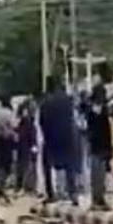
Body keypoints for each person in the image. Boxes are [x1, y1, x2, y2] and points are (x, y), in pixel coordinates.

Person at [39, 76, 78, 205]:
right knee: (69, 166)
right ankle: (73, 194)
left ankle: (51, 194)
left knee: (47, 164)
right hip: (68, 137)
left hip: (52, 138)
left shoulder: (46, 102)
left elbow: (42, 122)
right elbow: (72, 118)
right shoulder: (67, 99)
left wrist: (46, 135)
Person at [86, 83, 113, 210]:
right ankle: (95, 199)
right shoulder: (91, 111)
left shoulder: (104, 110)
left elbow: (107, 130)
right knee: (96, 175)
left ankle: (100, 198)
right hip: (96, 146)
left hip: (103, 146)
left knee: (101, 175)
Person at [16, 99, 38, 193]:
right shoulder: (29, 122)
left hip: (23, 143)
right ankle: (26, 186)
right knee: (27, 165)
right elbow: (31, 134)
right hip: (27, 143)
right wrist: (34, 145)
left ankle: (22, 185)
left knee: (23, 165)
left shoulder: (22, 121)